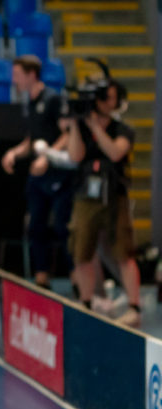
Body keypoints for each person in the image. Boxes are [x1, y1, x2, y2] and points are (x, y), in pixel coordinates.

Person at [66, 76, 141, 326]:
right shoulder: (82, 128)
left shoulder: (122, 129)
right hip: (86, 195)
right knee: (82, 251)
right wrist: (78, 124)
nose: (105, 101)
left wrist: (96, 126)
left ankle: (134, 306)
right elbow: (75, 156)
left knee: (124, 252)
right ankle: (86, 301)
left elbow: (115, 152)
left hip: (114, 195)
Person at [1, 56, 74, 289]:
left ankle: (76, 277)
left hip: (60, 174)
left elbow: (68, 133)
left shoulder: (53, 99)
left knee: (64, 227)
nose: (14, 80)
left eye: (17, 75)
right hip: (38, 178)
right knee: (35, 225)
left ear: (31, 74)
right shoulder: (29, 103)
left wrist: (47, 156)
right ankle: (41, 277)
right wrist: (15, 153)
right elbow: (32, 139)